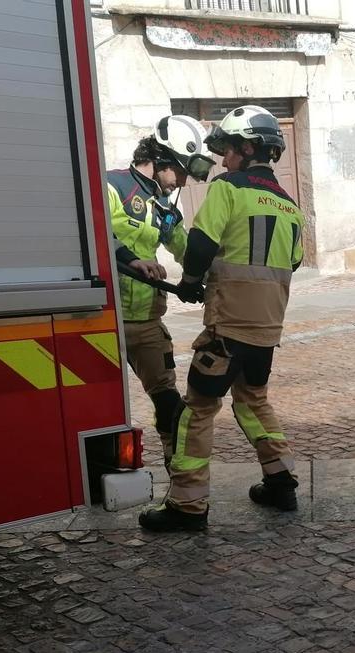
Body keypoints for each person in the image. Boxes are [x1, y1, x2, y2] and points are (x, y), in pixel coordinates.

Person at [139, 106, 305, 533]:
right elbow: (295, 261)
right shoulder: (290, 207)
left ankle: (187, 505)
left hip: (228, 327)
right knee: (253, 401)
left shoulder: (228, 188)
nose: (223, 160)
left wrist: (191, 281)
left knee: (196, 409)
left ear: (247, 149)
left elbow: (200, 244)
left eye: (228, 150)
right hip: (267, 329)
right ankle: (281, 482)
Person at [108, 115, 214, 465]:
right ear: (161, 158)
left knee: (168, 400)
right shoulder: (111, 187)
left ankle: (176, 468)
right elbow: (93, 233)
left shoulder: (165, 205)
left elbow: (185, 248)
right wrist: (131, 259)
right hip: (103, 322)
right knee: (102, 405)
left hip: (147, 322)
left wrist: (215, 276)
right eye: (180, 171)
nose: (183, 181)